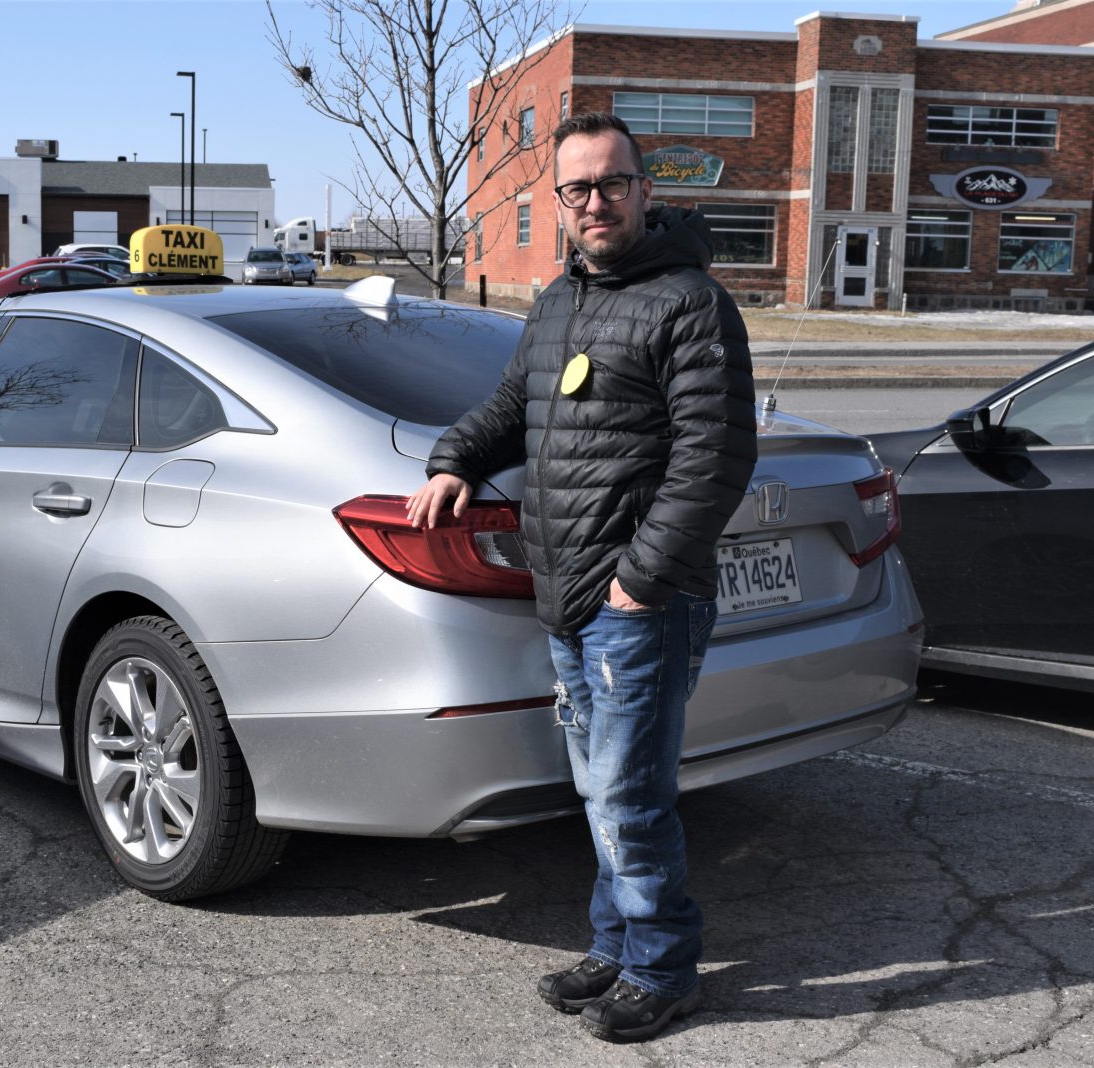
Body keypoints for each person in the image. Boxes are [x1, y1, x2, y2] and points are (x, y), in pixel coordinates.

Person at [407, 112, 756, 1044]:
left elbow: (714, 458)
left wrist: (640, 578)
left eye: (611, 184)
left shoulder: (689, 302)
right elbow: (515, 404)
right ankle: (616, 944)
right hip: (566, 593)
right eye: (576, 189)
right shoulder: (560, 303)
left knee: (633, 795)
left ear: (645, 190)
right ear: (556, 202)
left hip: (638, 600)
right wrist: (455, 463)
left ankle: (663, 966)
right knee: (602, 792)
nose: (594, 202)